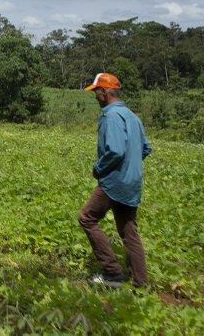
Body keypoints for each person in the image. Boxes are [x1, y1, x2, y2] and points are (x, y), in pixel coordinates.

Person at [78, 72, 152, 288]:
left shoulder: (111, 117)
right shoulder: (132, 116)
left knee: (87, 218)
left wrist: (98, 168)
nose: (95, 96)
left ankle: (112, 273)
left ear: (104, 91)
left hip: (114, 182)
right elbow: (145, 148)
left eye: (96, 92)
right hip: (132, 182)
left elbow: (116, 151)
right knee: (129, 231)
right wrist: (131, 165)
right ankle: (140, 283)